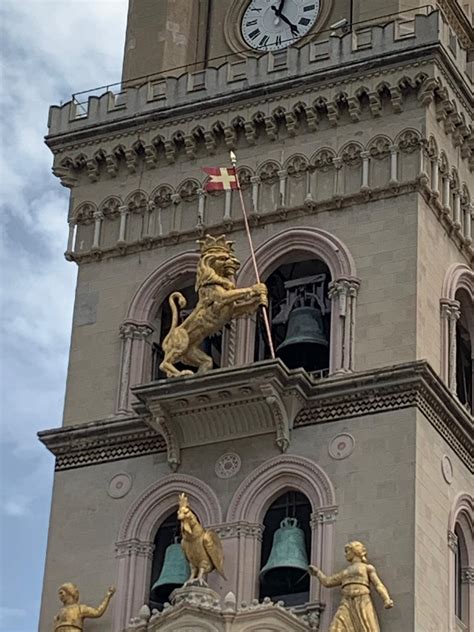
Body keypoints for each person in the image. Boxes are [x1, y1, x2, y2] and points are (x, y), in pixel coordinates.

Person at [309, 541, 393, 632]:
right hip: (346, 601)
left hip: (362, 599)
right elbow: (328, 582)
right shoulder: (345, 572)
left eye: (347, 551)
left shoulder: (367, 568)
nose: (346, 555)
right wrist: (318, 573)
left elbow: (378, 585)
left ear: (355, 551)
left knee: (366, 626)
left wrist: (386, 599)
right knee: (335, 628)